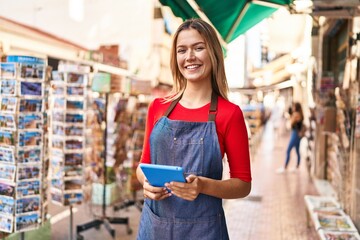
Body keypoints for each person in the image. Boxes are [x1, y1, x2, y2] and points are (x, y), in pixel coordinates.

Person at [135, 18, 252, 240]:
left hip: (204, 231)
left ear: (213, 54)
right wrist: (146, 184)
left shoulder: (230, 114)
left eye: (199, 48)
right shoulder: (158, 108)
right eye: (182, 50)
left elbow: (243, 185)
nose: (189, 57)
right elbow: (143, 165)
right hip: (155, 227)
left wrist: (203, 185)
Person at [277, 102, 304, 173]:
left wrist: (290, 117)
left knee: (288, 150)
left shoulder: (296, 114)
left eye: (294, 106)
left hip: (295, 134)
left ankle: (285, 166)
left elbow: (291, 124)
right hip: (298, 134)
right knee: (297, 151)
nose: (293, 108)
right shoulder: (301, 114)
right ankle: (297, 166)